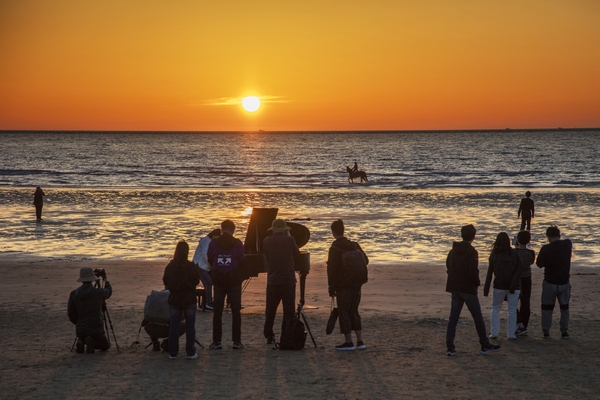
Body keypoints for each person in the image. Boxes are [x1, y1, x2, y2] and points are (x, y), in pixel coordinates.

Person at [445, 224, 500, 356]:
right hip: (467, 289)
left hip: (455, 287)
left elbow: (448, 266)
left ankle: (450, 347)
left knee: (453, 318)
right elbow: (472, 272)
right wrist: (477, 283)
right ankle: (484, 345)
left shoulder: (453, 251)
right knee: (478, 317)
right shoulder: (472, 252)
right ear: (474, 236)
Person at [327, 219, 368, 351]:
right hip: (357, 284)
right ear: (343, 231)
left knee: (344, 312)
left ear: (333, 232)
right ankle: (360, 342)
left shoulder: (334, 249)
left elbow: (331, 271)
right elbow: (366, 260)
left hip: (342, 285)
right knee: (354, 311)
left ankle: (348, 342)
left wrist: (331, 288)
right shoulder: (355, 245)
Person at [207, 219, 245, 350]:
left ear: (221, 229)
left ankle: (217, 342)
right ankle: (237, 341)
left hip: (219, 280)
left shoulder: (213, 243)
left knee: (217, 312)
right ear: (233, 230)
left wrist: (217, 267)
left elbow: (210, 258)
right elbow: (241, 259)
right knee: (236, 312)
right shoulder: (238, 243)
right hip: (234, 280)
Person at [263, 218, 300, 344]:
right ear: (284, 230)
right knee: (289, 309)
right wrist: (289, 236)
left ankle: (268, 334)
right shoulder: (290, 240)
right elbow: (296, 253)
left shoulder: (267, 241)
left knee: (270, 310)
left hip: (273, 280)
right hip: (288, 280)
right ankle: (286, 335)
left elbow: (266, 256)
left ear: (273, 230)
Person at [162, 240, 200, 359]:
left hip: (175, 298)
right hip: (189, 298)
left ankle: (173, 352)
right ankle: (190, 352)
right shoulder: (191, 267)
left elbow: (165, 281)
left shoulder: (170, 266)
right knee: (190, 326)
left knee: (174, 326)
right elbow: (196, 281)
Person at [536, 225, 572, 339]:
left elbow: (539, 264)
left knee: (547, 308)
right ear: (559, 235)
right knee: (564, 307)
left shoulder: (546, 248)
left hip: (550, 281)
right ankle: (564, 331)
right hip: (564, 281)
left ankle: (546, 331)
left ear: (548, 237)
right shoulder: (567, 245)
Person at [483, 232, 521, 340]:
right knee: (512, 310)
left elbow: (490, 272)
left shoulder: (495, 254)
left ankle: (494, 332)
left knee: (495, 308)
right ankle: (511, 334)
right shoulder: (514, 254)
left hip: (499, 284)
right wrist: (515, 284)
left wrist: (486, 288)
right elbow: (519, 270)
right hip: (514, 286)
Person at [68, 267, 112, 354]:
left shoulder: (74, 294)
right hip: (96, 329)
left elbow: (70, 313)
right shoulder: (98, 293)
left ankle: (81, 341)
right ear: (92, 279)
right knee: (105, 345)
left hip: (81, 329)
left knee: (83, 334)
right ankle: (91, 342)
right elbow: (109, 292)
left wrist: (78, 322)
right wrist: (106, 280)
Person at [192, 228, 221, 311]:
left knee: (207, 283)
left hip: (202, 265)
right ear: (215, 235)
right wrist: (211, 265)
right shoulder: (206, 241)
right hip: (200, 265)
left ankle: (205, 303)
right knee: (209, 282)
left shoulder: (208, 241)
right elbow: (206, 255)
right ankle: (208, 302)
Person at [515, 230, 536, 336]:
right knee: (525, 302)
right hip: (527, 278)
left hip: (517, 278)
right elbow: (531, 262)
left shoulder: (515, 252)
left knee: (514, 301)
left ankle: (519, 324)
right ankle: (524, 324)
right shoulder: (531, 253)